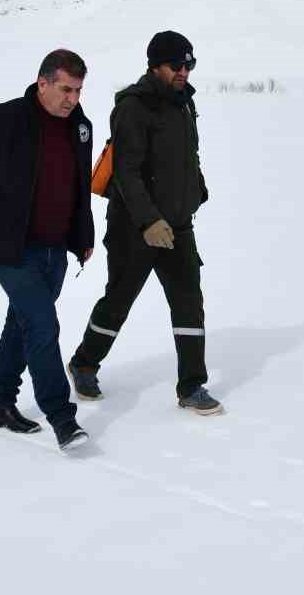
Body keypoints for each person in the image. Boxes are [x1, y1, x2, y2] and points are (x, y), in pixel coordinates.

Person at [0, 49, 96, 451]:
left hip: (55, 248)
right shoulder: (5, 119)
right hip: (8, 246)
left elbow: (80, 189)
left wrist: (83, 236)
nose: (72, 99)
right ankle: (63, 419)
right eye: (65, 89)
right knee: (43, 326)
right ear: (42, 82)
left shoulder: (80, 127)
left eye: (79, 91)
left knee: (24, 323)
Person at [68, 31, 223, 416]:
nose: (184, 72)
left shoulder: (184, 104)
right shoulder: (133, 107)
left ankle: (192, 386)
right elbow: (126, 172)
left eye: (190, 64)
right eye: (177, 65)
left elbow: (190, 154)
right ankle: (84, 363)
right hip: (134, 229)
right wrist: (149, 220)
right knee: (119, 300)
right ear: (156, 65)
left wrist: (196, 191)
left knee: (189, 303)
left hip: (178, 226)